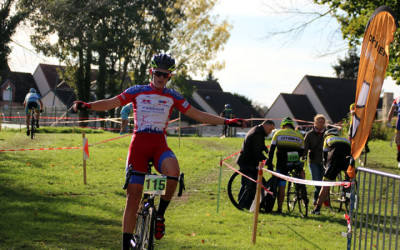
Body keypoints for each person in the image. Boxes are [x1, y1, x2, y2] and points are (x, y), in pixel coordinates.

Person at [73, 54, 247, 250]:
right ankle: (125, 245)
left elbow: (198, 114)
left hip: (159, 146)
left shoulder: (173, 96)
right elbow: (112, 102)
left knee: (173, 173)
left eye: (165, 74)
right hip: (139, 145)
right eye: (157, 73)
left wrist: (227, 121)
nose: (161, 77)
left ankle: (160, 215)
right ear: (151, 72)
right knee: (134, 197)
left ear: (169, 76)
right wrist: (88, 105)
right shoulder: (137, 91)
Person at [267, 116, 305, 214]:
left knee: (281, 185)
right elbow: (302, 152)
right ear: (292, 126)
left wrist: (270, 162)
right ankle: (301, 190)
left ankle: (279, 209)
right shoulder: (299, 135)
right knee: (300, 172)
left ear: (283, 126)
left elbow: (271, 150)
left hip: (282, 163)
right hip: (295, 163)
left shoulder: (278, 133)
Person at [235, 120, 276, 209]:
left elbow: (259, 145)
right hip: (248, 162)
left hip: (248, 161)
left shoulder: (257, 130)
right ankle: (243, 204)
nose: (270, 132)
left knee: (251, 183)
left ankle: (246, 204)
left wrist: (265, 149)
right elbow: (257, 152)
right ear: (265, 125)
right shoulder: (258, 133)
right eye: (269, 129)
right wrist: (268, 162)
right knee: (249, 184)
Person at [310, 128, 351, 215]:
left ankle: (317, 209)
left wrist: (326, 166)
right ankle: (347, 190)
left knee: (325, 185)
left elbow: (324, 155)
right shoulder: (345, 139)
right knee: (349, 179)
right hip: (347, 160)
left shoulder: (327, 138)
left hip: (335, 160)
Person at [303, 114, 326, 207]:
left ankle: (317, 199)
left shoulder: (327, 133)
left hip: (324, 161)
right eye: (319, 122)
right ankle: (319, 198)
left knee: (323, 182)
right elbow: (305, 147)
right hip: (313, 161)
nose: (321, 124)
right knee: (316, 181)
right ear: (315, 123)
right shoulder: (309, 134)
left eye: (322, 122)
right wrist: (303, 157)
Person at [386, 98, 400, 164]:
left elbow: (391, 111)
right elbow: (391, 111)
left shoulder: (397, 99)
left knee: (398, 136)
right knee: (398, 136)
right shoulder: (397, 99)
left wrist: (388, 121)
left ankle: (399, 152)